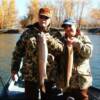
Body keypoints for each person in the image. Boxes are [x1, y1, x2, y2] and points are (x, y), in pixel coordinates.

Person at [11, 7, 63, 100]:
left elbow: (61, 51)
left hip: (49, 75)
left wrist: (49, 39)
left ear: (50, 19)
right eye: (41, 17)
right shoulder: (27, 33)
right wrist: (14, 70)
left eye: (46, 18)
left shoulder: (55, 33)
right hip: (30, 75)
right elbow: (17, 52)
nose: (43, 19)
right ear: (38, 17)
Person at [61, 18, 93, 100]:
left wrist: (78, 44)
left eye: (70, 26)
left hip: (81, 82)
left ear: (75, 26)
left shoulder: (83, 38)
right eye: (65, 27)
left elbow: (89, 53)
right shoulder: (62, 41)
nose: (68, 28)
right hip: (66, 82)